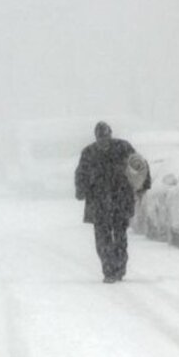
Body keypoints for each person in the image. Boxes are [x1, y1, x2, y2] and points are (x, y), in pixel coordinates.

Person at [74, 121, 151, 283]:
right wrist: (81, 191)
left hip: (119, 200)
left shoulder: (123, 148)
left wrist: (143, 185)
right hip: (100, 202)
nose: (103, 141)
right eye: (100, 138)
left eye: (105, 137)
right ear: (96, 137)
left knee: (119, 236)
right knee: (103, 238)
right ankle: (109, 270)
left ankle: (119, 267)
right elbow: (81, 174)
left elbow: (140, 165)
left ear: (110, 135)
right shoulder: (89, 153)